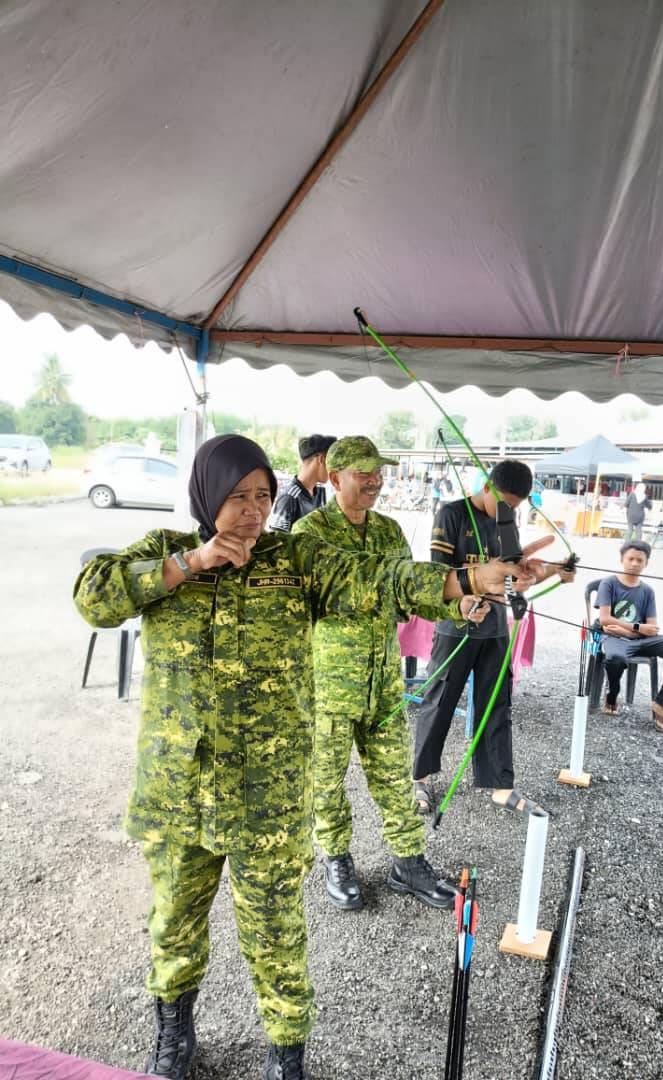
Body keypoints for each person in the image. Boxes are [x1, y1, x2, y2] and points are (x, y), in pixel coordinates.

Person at [73, 435, 541, 1080]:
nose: (253, 510)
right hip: (178, 792)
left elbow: (377, 579)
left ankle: (286, 1053)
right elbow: (93, 596)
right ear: (207, 495)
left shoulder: (295, 557)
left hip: (266, 794)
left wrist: (463, 578)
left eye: (263, 496)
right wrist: (191, 563)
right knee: (174, 926)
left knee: (277, 937)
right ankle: (174, 1033)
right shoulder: (160, 553)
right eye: (238, 497)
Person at [292, 436, 490, 912]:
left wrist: (459, 603)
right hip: (330, 685)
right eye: (364, 472)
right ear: (335, 478)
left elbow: (410, 594)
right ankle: (336, 857)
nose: (376, 480)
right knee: (326, 779)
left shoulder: (388, 531)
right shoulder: (307, 533)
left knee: (393, 777)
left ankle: (407, 861)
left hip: (382, 681)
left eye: (379, 471)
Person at [412, 460, 576, 817]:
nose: (508, 512)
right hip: (456, 625)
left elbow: (516, 574)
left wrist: (552, 571)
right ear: (486, 485)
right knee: (439, 701)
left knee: (497, 704)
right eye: (503, 503)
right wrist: (465, 597)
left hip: (496, 628)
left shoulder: (507, 523)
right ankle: (420, 779)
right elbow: (436, 575)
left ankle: (501, 785)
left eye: (515, 507)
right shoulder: (451, 513)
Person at [597, 540, 663, 733]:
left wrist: (631, 630)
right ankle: (612, 694)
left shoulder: (647, 591)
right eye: (630, 559)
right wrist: (635, 628)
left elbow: (652, 628)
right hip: (616, 639)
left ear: (646, 563)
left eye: (639, 560)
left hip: (639, 639)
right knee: (615, 658)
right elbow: (605, 620)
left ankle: (661, 703)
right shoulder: (609, 583)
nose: (634, 563)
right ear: (621, 560)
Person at [268, 433, 336, 531]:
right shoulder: (289, 499)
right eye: (332, 461)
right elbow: (278, 542)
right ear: (322, 459)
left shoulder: (321, 494)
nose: (334, 469)